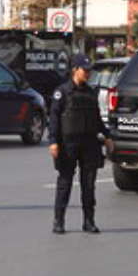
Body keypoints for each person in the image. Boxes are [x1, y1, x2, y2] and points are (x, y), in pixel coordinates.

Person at [49, 54, 113, 234]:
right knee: (65, 183)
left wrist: (107, 136)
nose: (87, 73)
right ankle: (59, 221)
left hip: (89, 143)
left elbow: (96, 118)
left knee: (89, 184)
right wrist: (53, 142)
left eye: (89, 70)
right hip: (68, 143)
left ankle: (89, 221)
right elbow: (54, 118)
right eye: (84, 70)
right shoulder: (62, 92)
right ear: (75, 70)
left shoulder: (91, 93)